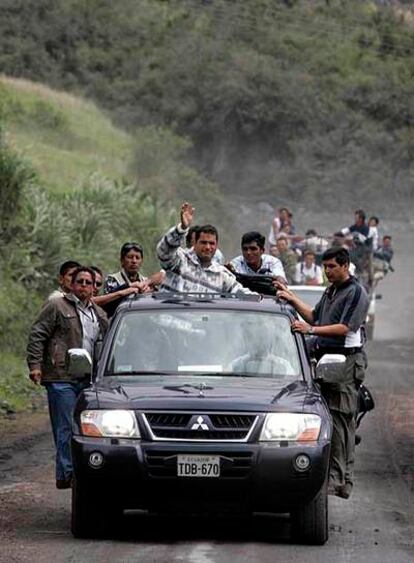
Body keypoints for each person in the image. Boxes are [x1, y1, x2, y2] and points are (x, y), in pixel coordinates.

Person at [276, 247, 369, 499]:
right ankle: (336, 478)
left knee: (341, 420)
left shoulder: (356, 293)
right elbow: (315, 317)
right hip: (328, 362)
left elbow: (344, 328)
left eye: (332, 267)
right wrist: (292, 298)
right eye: (325, 267)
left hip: (346, 363)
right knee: (330, 420)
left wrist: (311, 331)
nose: (327, 272)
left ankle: (340, 480)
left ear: (345, 265)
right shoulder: (331, 290)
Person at [27, 267, 108, 489]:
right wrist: (35, 365)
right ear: (71, 284)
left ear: (94, 287)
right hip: (61, 377)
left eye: (88, 282)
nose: (83, 286)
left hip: (89, 380)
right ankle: (70, 474)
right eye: (79, 281)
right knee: (65, 427)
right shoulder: (57, 306)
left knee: (87, 428)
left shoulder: (99, 314)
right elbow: (38, 334)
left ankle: (74, 473)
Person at [157, 202, 253, 294]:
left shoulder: (222, 275)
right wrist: (181, 229)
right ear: (195, 243)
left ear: (216, 246)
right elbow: (164, 252)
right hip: (172, 310)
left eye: (211, 243)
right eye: (203, 243)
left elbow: (241, 293)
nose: (208, 247)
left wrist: (261, 301)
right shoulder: (180, 261)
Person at [103, 242, 164, 316]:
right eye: (130, 257)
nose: (134, 261)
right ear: (122, 260)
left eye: (137, 258)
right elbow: (108, 304)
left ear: (141, 261)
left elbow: (163, 276)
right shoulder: (112, 280)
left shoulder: (145, 281)